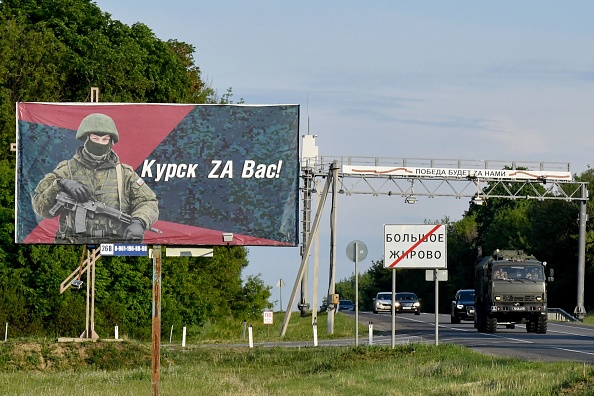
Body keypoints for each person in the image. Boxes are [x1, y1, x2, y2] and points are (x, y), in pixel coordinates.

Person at [32, 113, 159, 244]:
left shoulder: (124, 174)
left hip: (114, 246)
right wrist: (60, 184)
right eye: (95, 138)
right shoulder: (66, 170)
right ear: (86, 138)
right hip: (72, 245)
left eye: (105, 139)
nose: (100, 144)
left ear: (111, 142)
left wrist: (139, 221)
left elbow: (148, 202)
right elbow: (40, 207)